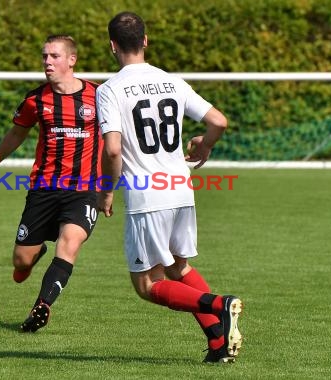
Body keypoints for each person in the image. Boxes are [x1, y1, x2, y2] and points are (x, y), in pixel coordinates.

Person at [96, 12, 243, 363]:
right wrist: (205, 144)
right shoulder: (171, 81)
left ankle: (220, 305)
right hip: (181, 188)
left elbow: (113, 148)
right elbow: (218, 121)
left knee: (148, 286)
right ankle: (218, 344)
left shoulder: (110, 89)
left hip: (148, 196)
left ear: (112, 45)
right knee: (180, 267)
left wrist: (105, 189)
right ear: (145, 41)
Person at [0, 35, 102, 333]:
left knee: (69, 245)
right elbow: (16, 134)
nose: (47, 62)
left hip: (84, 190)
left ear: (72, 60)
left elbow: (116, 139)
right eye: (44, 56)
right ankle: (34, 254)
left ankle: (42, 306)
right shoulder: (36, 99)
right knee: (20, 262)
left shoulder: (99, 96)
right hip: (43, 190)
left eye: (54, 56)